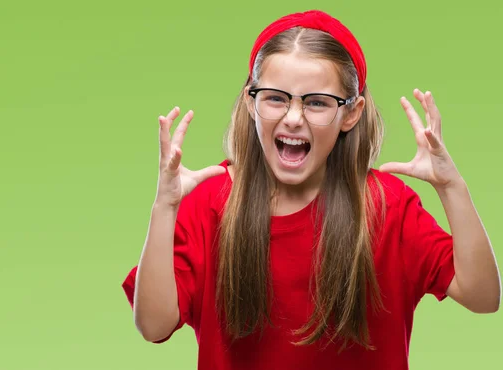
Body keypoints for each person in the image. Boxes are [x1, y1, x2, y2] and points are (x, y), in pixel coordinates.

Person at [121, 10, 501, 370]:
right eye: (275, 97)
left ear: (350, 114)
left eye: (317, 103)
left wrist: (451, 186)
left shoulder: (387, 205)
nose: (293, 118)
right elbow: (153, 325)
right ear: (251, 102)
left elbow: (483, 296)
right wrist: (165, 207)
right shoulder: (210, 203)